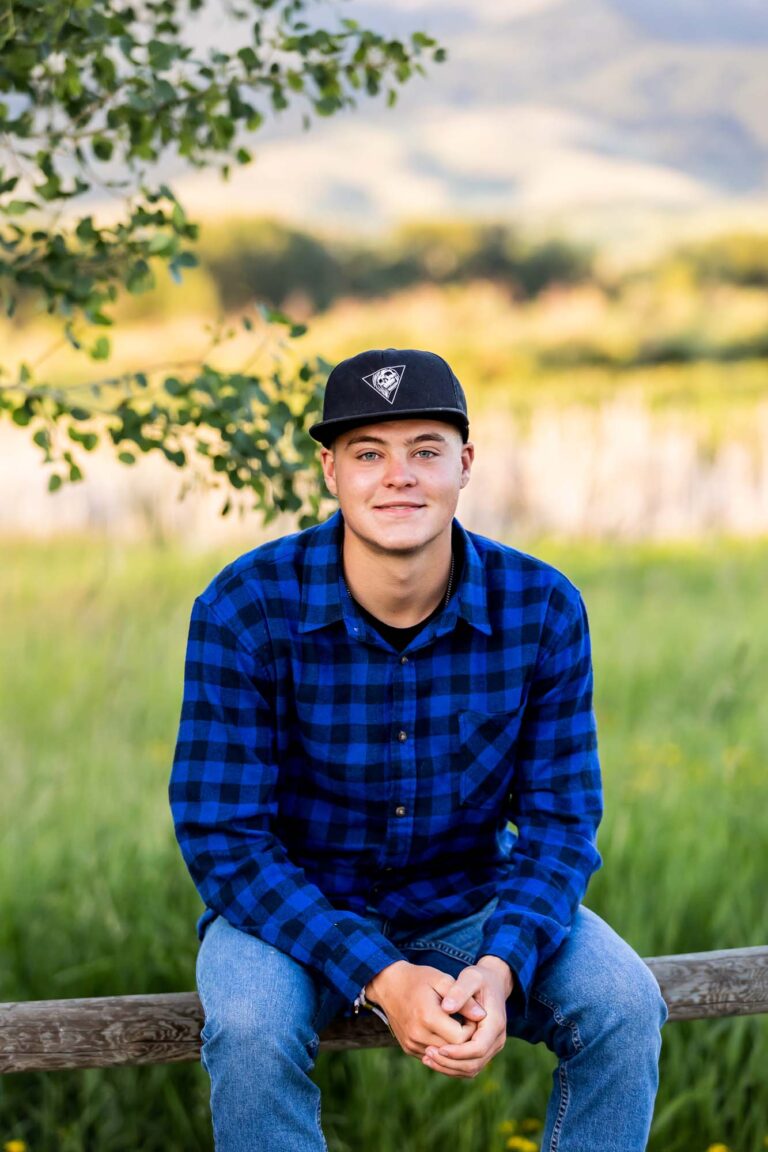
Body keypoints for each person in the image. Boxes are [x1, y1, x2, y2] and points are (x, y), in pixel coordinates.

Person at [169, 347, 667, 1152]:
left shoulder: (541, 607)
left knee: (623, 1003)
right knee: (252, 1027)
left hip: (468, 899)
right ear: (330, 470)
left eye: (424, 451)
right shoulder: (244, 607)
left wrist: (502, 967)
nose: (397, 476)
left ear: (464, 465)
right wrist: (383, 975)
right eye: (369, 453)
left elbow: (560, 823)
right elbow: (225, 842)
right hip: (289, 911)